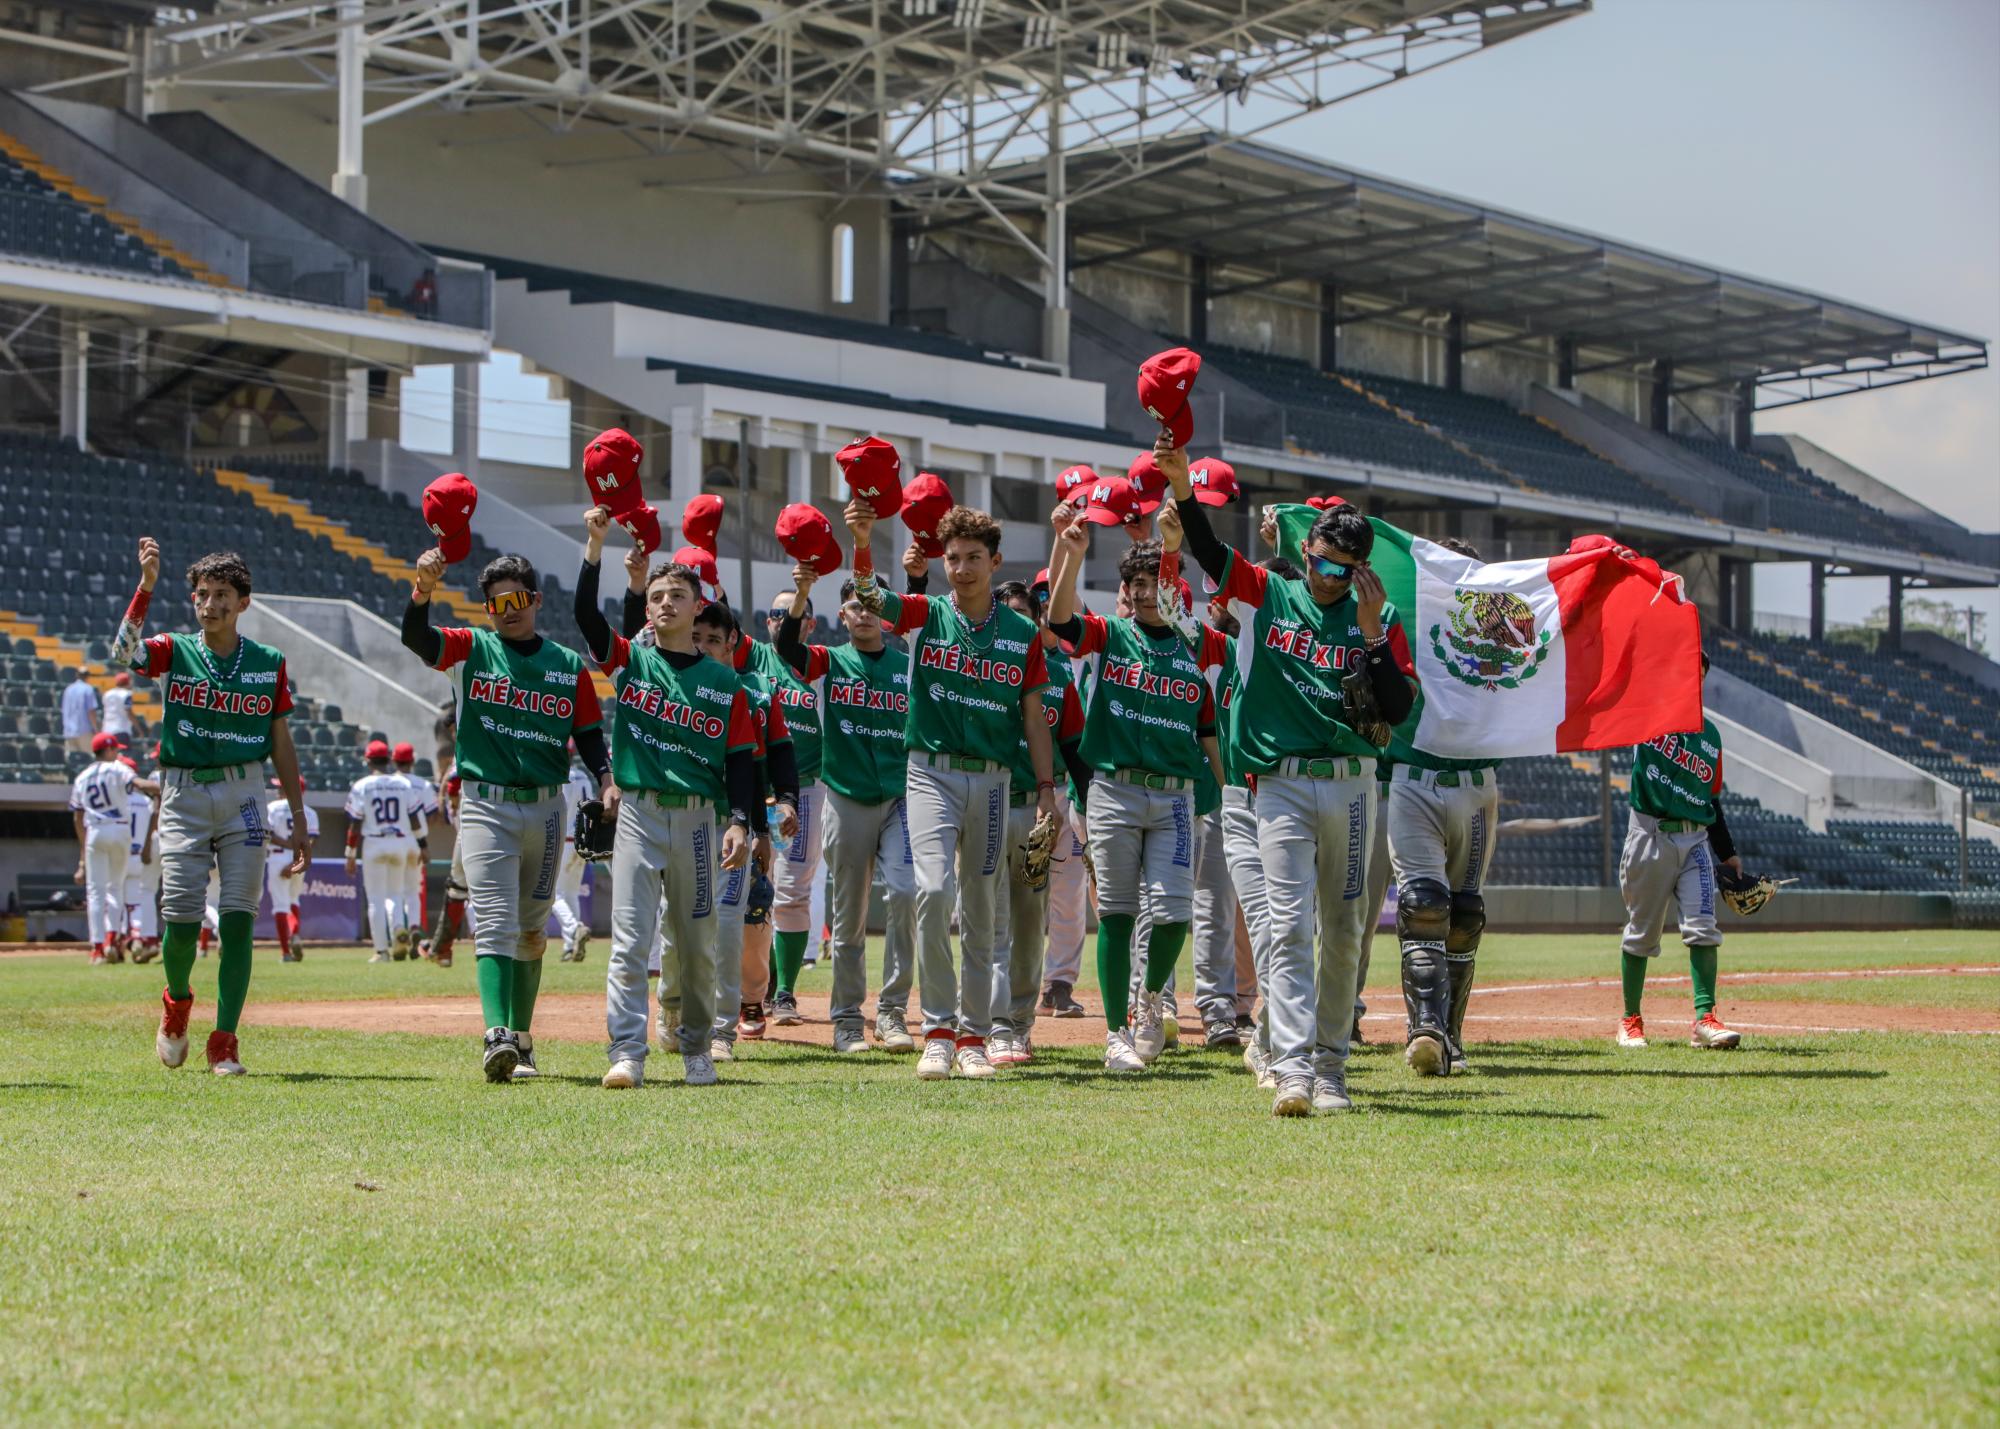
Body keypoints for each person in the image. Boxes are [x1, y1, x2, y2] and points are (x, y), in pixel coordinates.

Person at [1161, 442, 1416, 1116]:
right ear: (1305, 553)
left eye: (1342, 566)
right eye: (1319, 559)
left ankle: (1333, 1066)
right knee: (1288, 924)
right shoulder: (1270, 592)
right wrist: (1185, 489)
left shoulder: (1379, 620)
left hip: (1352, 782)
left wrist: (1366, 634)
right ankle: (1295, 1067)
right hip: (1279, 783)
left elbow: (1397, 707)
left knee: (1344, 927)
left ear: (1361, 569)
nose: (1327, 574)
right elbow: (1212, 554)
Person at [845, 496, 1060, 1081]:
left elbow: (1035, 717)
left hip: (993, 779)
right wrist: (864, 540)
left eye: (972, 558)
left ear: (995, 561)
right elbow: (872, 598)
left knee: (982, 908)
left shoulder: (1021, 633)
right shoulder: (928, 614)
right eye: (953, 558)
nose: (960, 568)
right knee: (933, 892)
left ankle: (973, 1036)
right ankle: (937, 1031)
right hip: (930, 771)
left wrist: (1045, 789)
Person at [402, 547, 614, 1083]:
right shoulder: (471, 648)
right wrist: (422, 592)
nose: (509, 610)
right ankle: (496, 1034)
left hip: (546, 805)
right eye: (496, 603)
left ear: (537, 600)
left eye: (519, 599)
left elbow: (589, 736)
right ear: (485, 609)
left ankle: (522, 1041)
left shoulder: (567, 666)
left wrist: (608, 780)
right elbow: (417, 639)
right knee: (495, 921)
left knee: (532, 931)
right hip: (486, 804)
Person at [110, 541, 313, 1076]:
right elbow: (122, 654)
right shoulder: (175, 650)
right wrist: (146, 584)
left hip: (246, 792)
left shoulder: (268, 663)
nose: (210, 604)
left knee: (241, 920)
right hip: (182, 792)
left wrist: (295, 815)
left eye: (222, 594)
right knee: (178, 918)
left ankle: (224, 1040)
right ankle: (176, 1005)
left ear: (243, 602)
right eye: (202, 594)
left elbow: (281, 742)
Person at [574, 514, 759, 1089]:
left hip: (700, 820)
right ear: (648, 608)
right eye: (657, 597)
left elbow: (740, 761)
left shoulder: (725, 683)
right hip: (639, 813)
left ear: (698, 604)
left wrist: (741, 821)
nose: (665, 604)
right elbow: (585, 615)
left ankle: (697, 1047)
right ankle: (627, 1051)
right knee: (630, 940)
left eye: (677, 594)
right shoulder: (632, 663)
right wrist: (596, 544)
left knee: (695, 942)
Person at [1048, 512, 1222, 1073]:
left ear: (1175, 588)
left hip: (1175, 798)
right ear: (1127, 590)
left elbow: (1207, 728)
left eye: (1159, 581)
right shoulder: (1111, 633)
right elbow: (1058, 619)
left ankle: (1151, 998)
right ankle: (1118, 1032)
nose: (1149, 593)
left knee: (1174, 915)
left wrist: (1224, 789)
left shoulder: (1195, 644)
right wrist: (1071, 555)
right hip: (1114, 792)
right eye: (1139, 584)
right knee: (1119, 915)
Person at [774, 564, 918, 1054]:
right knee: (849, 913)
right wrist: (801, 592)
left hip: (900, 796)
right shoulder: (829, 661)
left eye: (874, 605)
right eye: (856, 605)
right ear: (843, 614)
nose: (865, 613)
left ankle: (894, 1012)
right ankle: (848, 1019)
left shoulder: (906, 666)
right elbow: (787, 649)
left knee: (906, 894)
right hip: (845, 795)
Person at [1384, 536, 1499, 1076]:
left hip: (1476, 784)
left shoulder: (1501, 642)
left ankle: (1450, 1034)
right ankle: (1425, 1029)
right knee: (1424, 903)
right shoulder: (1405, 622)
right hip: (1414, 777)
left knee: (1465, 912)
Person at [1617, 651, 1744, 1051]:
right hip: (1650, 836)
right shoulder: (1645, 715)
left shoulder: (1710, 735)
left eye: (1700, 672)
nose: (1695, 678)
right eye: (1687, 669)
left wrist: (1729, 852)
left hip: (1696, 841)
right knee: (1641, 934)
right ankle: (1630, 1020)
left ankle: (1705, 1019)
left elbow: (1713, 799)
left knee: (1703, 928)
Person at [987, 579, 1089, 1067]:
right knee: (987, 920)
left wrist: (1084, 806)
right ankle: (985, 1023)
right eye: (1007, 612)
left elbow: (1074, 744)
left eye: (1025, 613)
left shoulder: (1059, 676)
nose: (1018, 621)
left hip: (1036, 812)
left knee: (1030, 921)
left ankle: (1018, 1025)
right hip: (986, 803)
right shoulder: (984, 668)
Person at [691, 599, 798, 1057]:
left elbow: (770, 759)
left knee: (749, 920)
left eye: (713, 639)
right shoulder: (676, 684)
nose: (703, 647)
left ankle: (751, 998)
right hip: (691, 817)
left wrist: (763, 828)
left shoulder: (755, 689)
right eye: (696, 638)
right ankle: (700, 1017)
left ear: (733, 640)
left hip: (742, 822)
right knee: (692, 922)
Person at [756, 591, 827, 1019]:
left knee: (792, 892)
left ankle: (783, 991)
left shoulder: (819, 664)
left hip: (804, 790)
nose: (784, 620)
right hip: (756, 787)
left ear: (810, 623)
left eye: (795, 614)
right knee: (752, 888)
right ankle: (753, 985)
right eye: (777, 613)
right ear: (767, 620)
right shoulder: (752, 659)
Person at [72, 733, 158, 964]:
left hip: (95, 830)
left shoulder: (83, 776)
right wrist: (160, 787)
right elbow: (140, 784)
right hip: (120, 830)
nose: (118, 754)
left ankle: (98, 948)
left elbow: (77, 817)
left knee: (95, 892)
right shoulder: (118, 769)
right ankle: (112, 939)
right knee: (115, 889)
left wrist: (82, 852)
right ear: (108, 750)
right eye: (115, 750)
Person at [344, 740, 422, 962]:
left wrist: (349, 854)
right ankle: (398, 926)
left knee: (376, 900)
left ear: (368, 760)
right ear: (389, 759)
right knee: (395, 894)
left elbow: (355, 824)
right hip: (398, 841)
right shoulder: (402, 784)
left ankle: (381, 951)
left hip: (374, 842)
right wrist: (422, 845)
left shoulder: (362, 785)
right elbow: (415, 819)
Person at [550, 748, 597, 963]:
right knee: (570, 893)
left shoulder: (559, 774)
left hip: (563, 841)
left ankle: (573, 927)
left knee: (552, 895)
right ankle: (572, 946)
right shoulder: (583, 775)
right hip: (582, 841)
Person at [265, 777, 319, 962]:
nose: (277, 791)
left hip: (278, 856)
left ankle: (286, 952)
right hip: (300, 858)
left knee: (280, 905)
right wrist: (297, 859)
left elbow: (268, 834)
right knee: (294, 900)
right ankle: (295, 933)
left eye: (280, 787)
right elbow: (310, 841)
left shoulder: (272, 807)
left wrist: (288, 847)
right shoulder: (309, 812)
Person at [392, 742, 438, 939]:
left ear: (394, 760)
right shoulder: (424, 784)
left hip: (393, 839)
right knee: (413, 890)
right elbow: (432, 814)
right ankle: (413, 927)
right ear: (412, 761)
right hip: (416, 841)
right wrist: (423, 834)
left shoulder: (387, 783)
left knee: (393, 891)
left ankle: (398, 928)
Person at [122, 747, 162, 963]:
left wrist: (147, 844)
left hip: (150, 844)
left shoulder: (154, 782)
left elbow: (156, 811)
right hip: (182, 839)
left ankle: (146, 939)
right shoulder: (144, 801)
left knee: (143, 893)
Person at [60, 667, 100, 754]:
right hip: (84, 731)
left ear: (77, 675)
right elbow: (91, 711)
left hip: (69, 730)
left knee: (73, 760)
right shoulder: (88, 689)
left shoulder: (68, 689)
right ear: (87, 676)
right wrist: (96, 729)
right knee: (88, 758)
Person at [103, 671, 136, 740]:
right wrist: (139, 729)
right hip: (121, 729)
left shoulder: (107, 693)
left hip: (106, 730)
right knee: (123, 751)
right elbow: (129, 712)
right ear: (128, 682)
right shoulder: (127, 694)